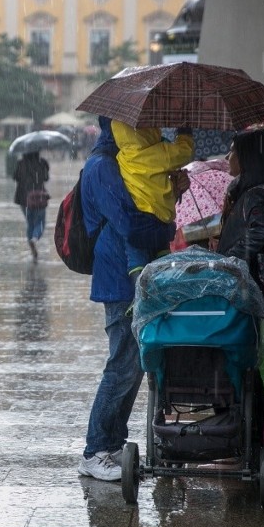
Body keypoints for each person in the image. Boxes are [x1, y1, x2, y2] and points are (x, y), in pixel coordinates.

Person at [76, 116, 187, 481]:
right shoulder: (103, 167)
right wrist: (166, 224)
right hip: (119, 277)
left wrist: (173, 195)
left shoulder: (120, 161)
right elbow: (130, 224)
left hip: (131, 273)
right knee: (122, 364)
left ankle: (112, 444)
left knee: (132, 366)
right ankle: (95, 451)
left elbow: (144, 216)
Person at [215, 127, 264, 452]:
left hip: (250, 291)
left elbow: (262, 233)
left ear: (249, 158)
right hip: (246, 289)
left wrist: (231, 259)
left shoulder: (257, 196)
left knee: (249, 366)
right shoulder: (248, 192)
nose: (228, 157)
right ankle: (247, 437)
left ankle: (253, 441)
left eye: (233, 151)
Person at [109, 120, 194, 274]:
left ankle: (139, 291)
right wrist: (184, 132)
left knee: (136, 261)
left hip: (133, 221)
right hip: (158, 220)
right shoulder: (161, 152)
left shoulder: (122, 156)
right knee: (163, 261)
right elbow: (184, 152)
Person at [12, 151, 50, 260]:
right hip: (39, 197)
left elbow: (15, 177)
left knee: (30, 222)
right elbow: (46, 178)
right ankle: (35, 238)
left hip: (24, 198)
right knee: (40, 222)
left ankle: (31, 245)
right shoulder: (42, 162)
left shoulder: (21, 163)